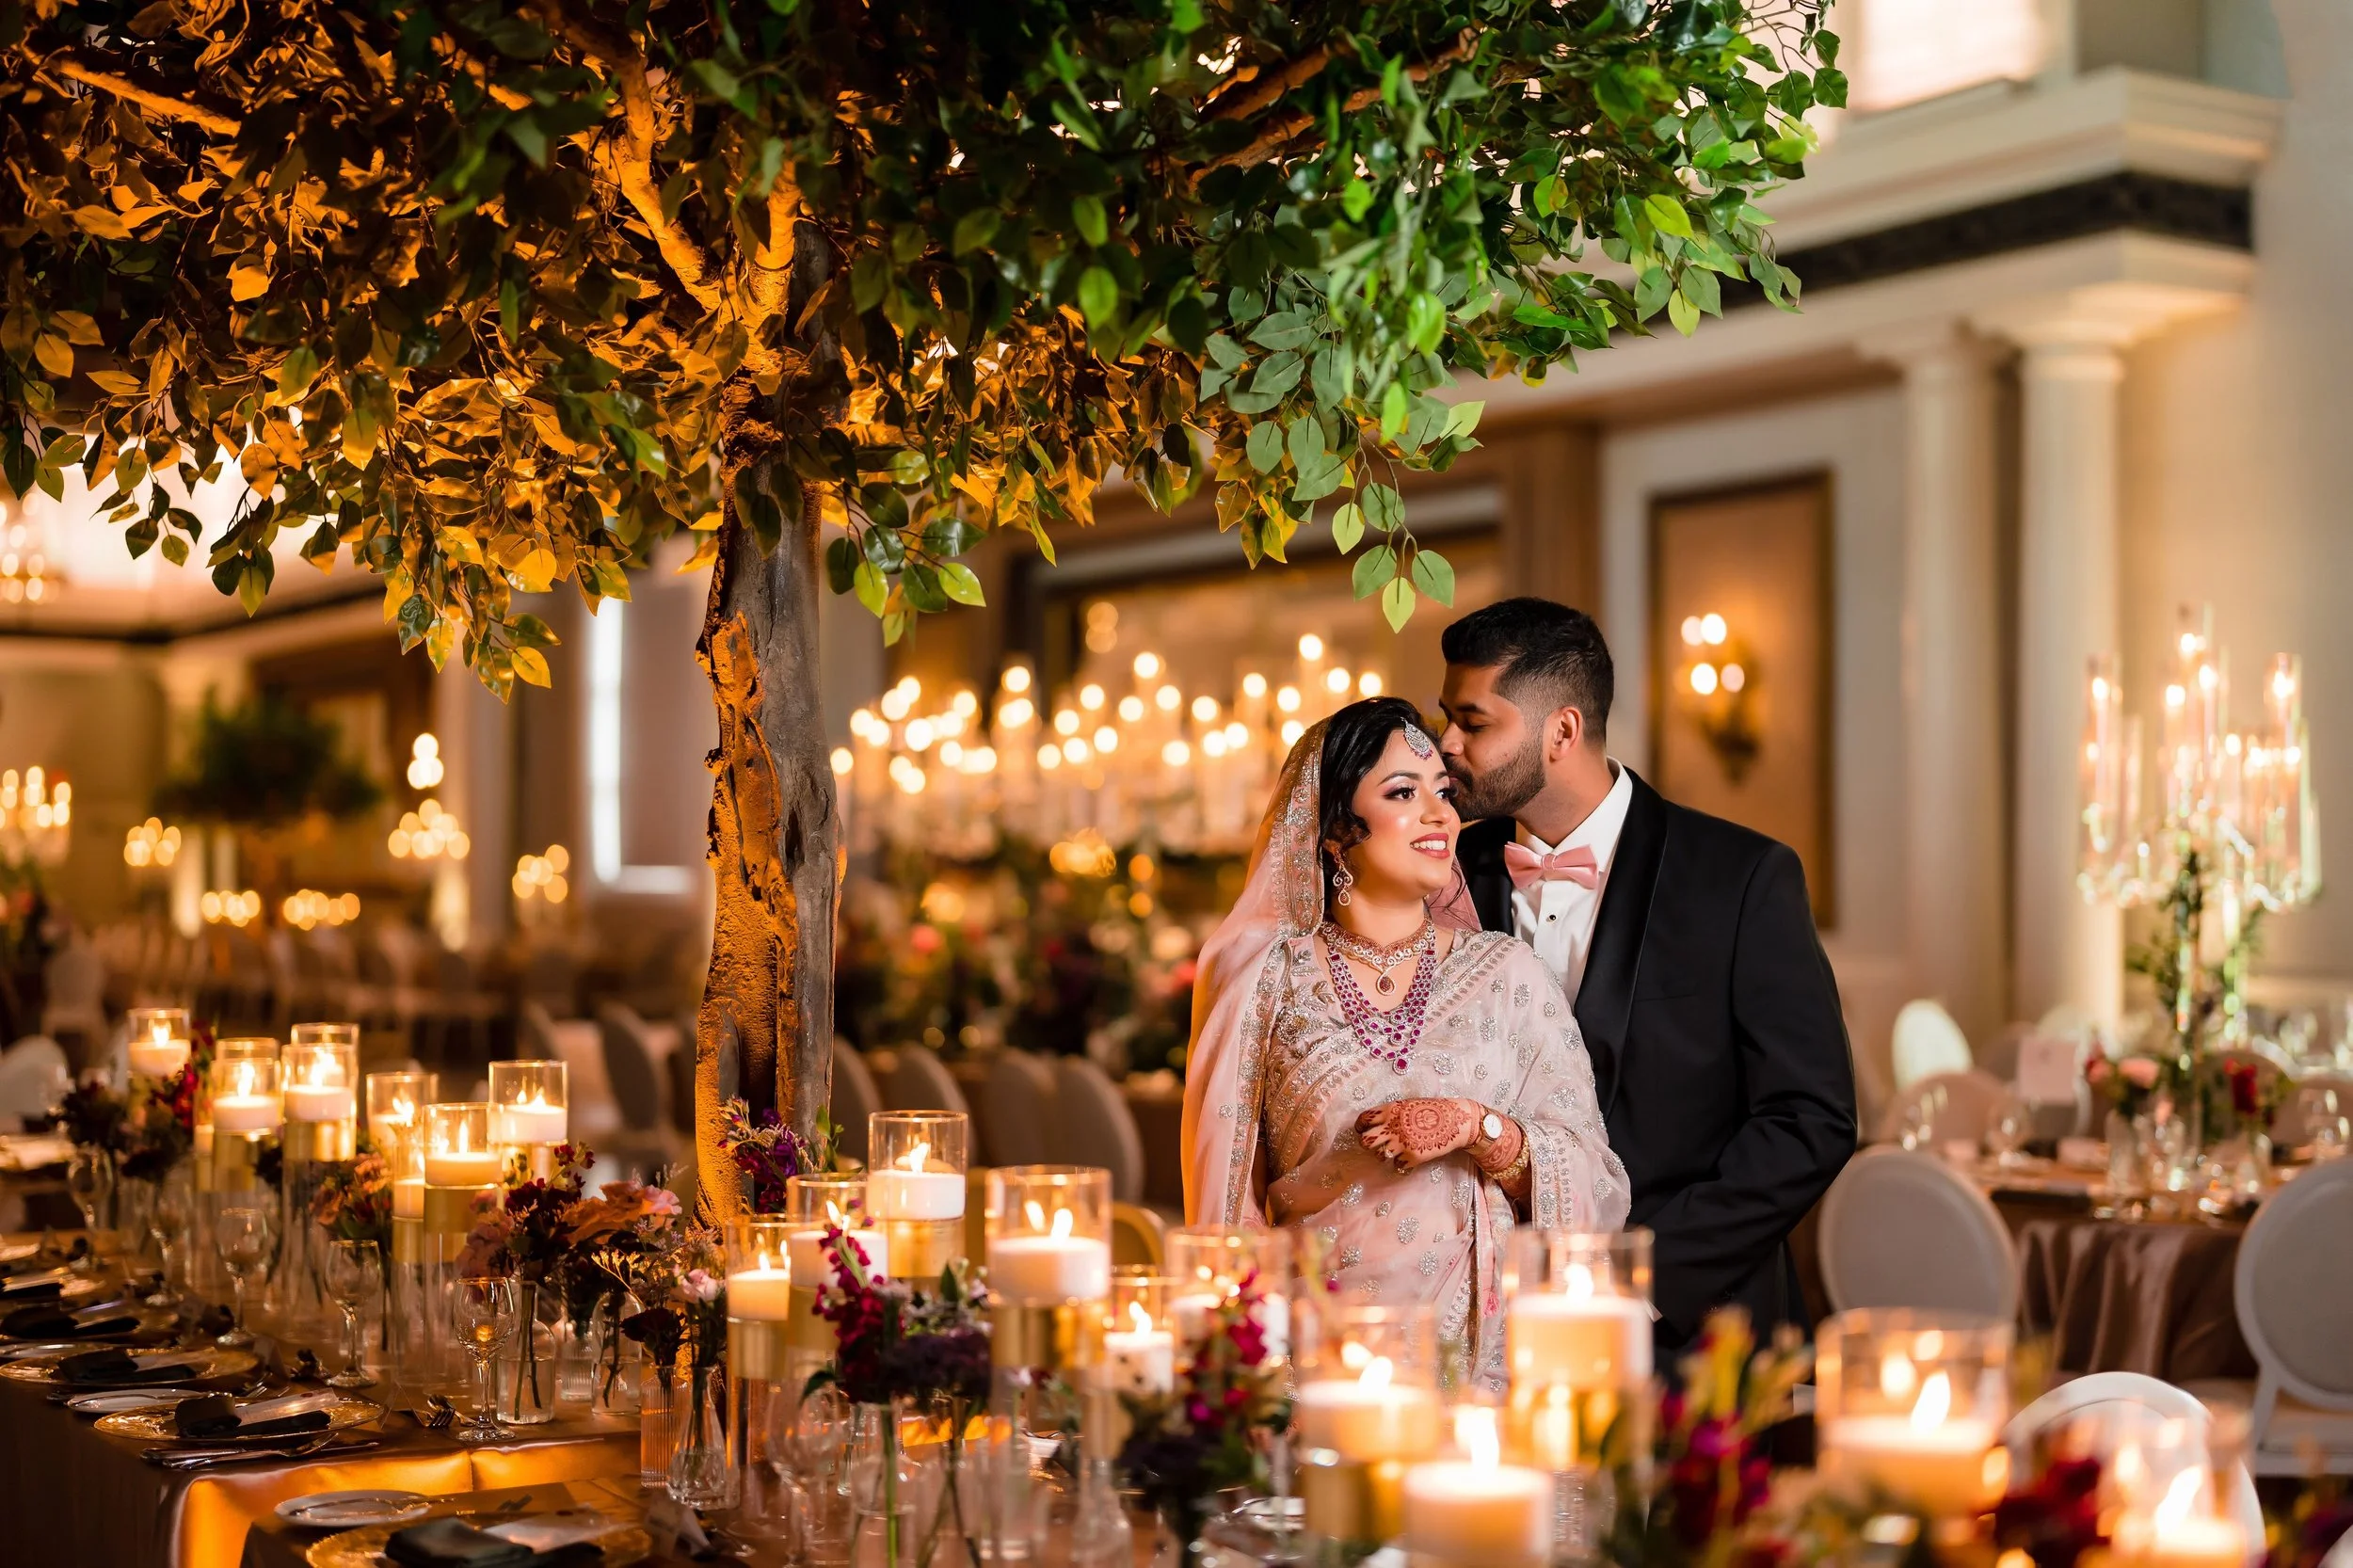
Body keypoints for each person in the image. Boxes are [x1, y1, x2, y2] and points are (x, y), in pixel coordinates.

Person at [1437, 598, 1856, 1354]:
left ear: (1560, 731)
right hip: (1489, 1326)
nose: (1445, 744)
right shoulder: (1448, 874)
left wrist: (1642, 1278)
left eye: (1472, 722)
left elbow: (1809, 1119)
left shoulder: (1742, 878)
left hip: (1695, 1333)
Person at [1183, 696, 1627, 1389]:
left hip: (1484, 1376)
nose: (1440, 815)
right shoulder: (1267, 980)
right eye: (1402, 792)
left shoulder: (1508, 976)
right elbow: (1226, 1209)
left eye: (1443, 793)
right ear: (1334, 830)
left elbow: (1599, 1189)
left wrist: (1480, 1130)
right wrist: (1251, 1384)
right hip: (1319, 1373)